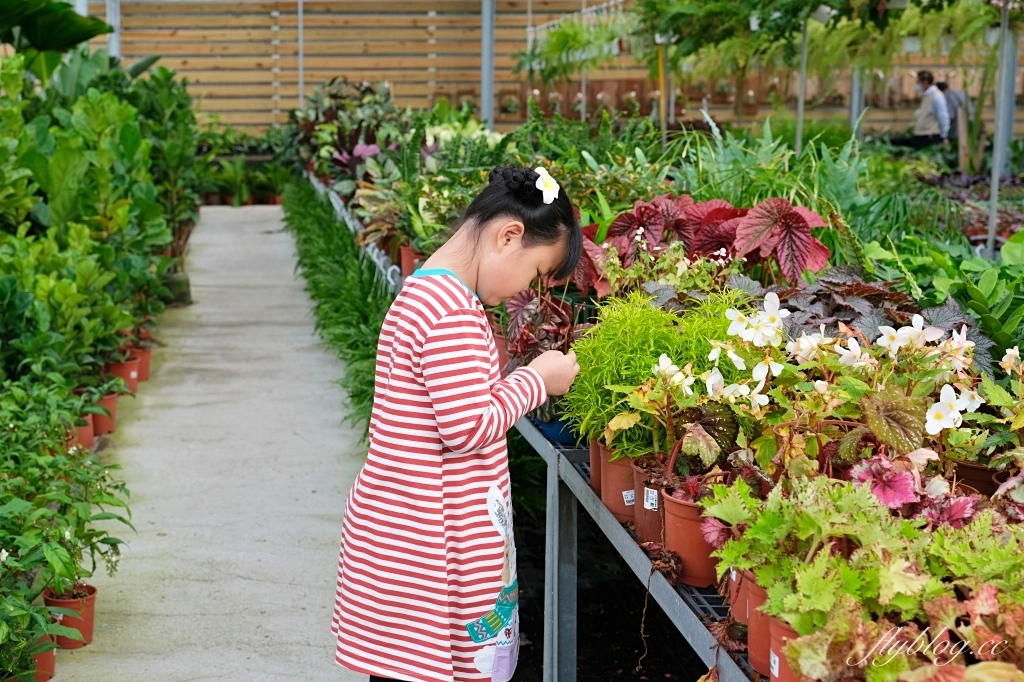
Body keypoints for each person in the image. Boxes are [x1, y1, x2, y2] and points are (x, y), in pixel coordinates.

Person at [331, 165, 583, 682]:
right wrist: (538, 378)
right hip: (428, 548)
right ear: (508, 235)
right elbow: (466, 428)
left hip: (405, 532)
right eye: (535, 274)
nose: (529, 291)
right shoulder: (452, 314)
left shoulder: (426, 291)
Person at [908, 70, 951, 148]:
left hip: (930, 135)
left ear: (925, 82)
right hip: (921, 134)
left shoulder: (937, 96)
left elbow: (943, 116)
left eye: (919, 82)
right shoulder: (926, 96)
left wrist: (944, 135)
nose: (917, 85)